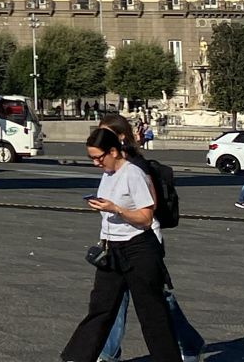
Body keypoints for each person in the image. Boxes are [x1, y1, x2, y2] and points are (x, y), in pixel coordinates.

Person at [61, 127, 182, 362]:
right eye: (91, 158)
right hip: (112, 248)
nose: (96, 163)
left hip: (139, 248)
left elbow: (145, 218)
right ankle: (76, 357)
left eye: (98, 157)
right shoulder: (107, 174)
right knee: (100, 307)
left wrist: (115, 208)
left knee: (151, 312)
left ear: (114, 151)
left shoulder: (133, 174)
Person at [93, 113, 204, 362]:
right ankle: (109, 352)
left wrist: (116, 209)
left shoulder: (135, 168)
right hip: (120, 240)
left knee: (155, 297)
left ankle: (189, 342)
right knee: (119, 296)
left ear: (120, 138)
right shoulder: (112, 166)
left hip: (143, 239)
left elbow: (147, 208)